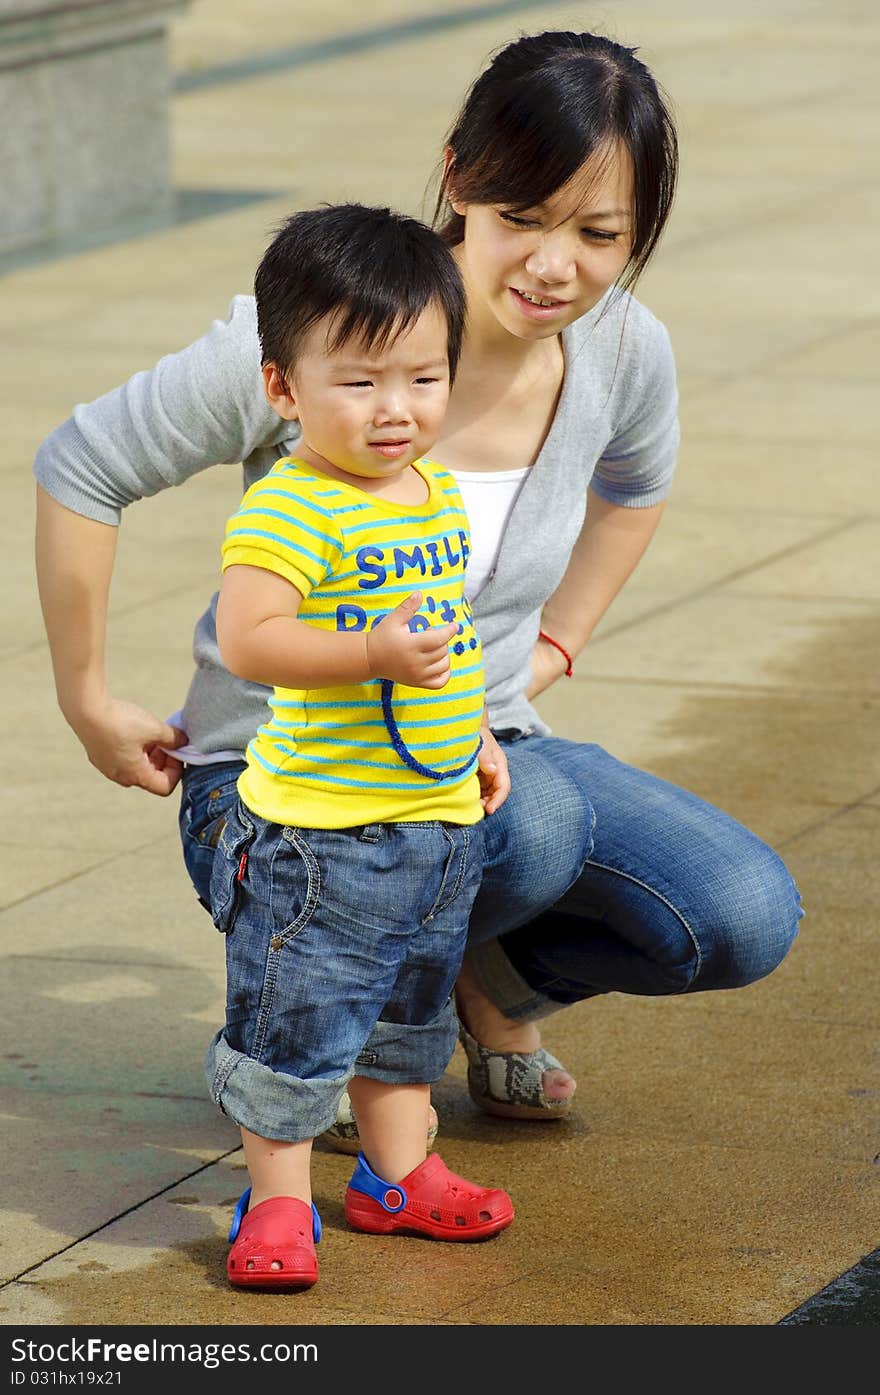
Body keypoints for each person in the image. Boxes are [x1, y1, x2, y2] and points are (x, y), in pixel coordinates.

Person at [33, 30, 803, 1159]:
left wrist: (556, 648)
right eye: (524, 217)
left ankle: (480, 987)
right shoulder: (323, 324)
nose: (554, 267)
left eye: (599, 235)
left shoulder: (624, 351)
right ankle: (314, 1029)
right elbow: (82, 463)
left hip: (473, 740)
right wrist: (87, 696)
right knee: (530, 830)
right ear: (457, 175)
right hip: (277, 793)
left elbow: (636, 489)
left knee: (740, 914)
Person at [208, 202, 513, 1290]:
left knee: (407, 1022)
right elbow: (249, 637)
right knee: (295, 1025)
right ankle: (280, 1204)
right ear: (282, 387)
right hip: (320, 844)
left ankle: (396, 1175)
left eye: (423, 379)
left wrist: (469, 734)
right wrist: (370, 648)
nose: (398, 411)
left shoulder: (429, 489)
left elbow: (449, 631)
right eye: (362, 381)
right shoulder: (292, 508)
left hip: (433, 826)